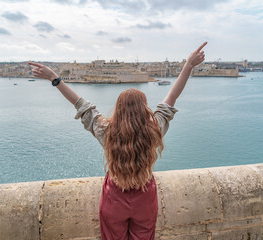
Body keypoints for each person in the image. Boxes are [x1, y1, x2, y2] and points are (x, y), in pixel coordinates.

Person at [28, 41, 207, 240]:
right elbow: (172, 97)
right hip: (145, 196)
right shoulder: (154, 130)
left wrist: (54, 78)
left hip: (114, 196)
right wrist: (188, 66)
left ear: (119, 108)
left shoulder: (107, 132)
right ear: (144, 108)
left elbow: (81, 105)